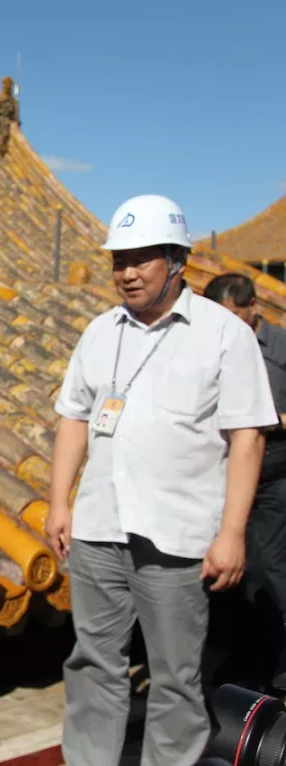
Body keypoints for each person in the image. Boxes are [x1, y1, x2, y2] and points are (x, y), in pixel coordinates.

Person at [46, 194, 278, 766]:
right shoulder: (100, 332)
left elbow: (247, 438)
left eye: (141, 259)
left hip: (178, 536)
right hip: (100, 525)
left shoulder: (225, 334)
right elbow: (73, 417)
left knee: (175, 675)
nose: (126, 272)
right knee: (92, 662)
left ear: (177, 260)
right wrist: (59, 502)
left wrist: (231, 533)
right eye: (118, 260)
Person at [204, 272, 286, 692]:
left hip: (273, 475)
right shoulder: (210, 343)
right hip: (223, 474)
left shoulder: (281, 346)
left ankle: (276, 665)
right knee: (228, 572)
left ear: (254, 307)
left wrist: (267, 423)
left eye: (234, 317)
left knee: (268, 570)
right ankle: (240, 658)